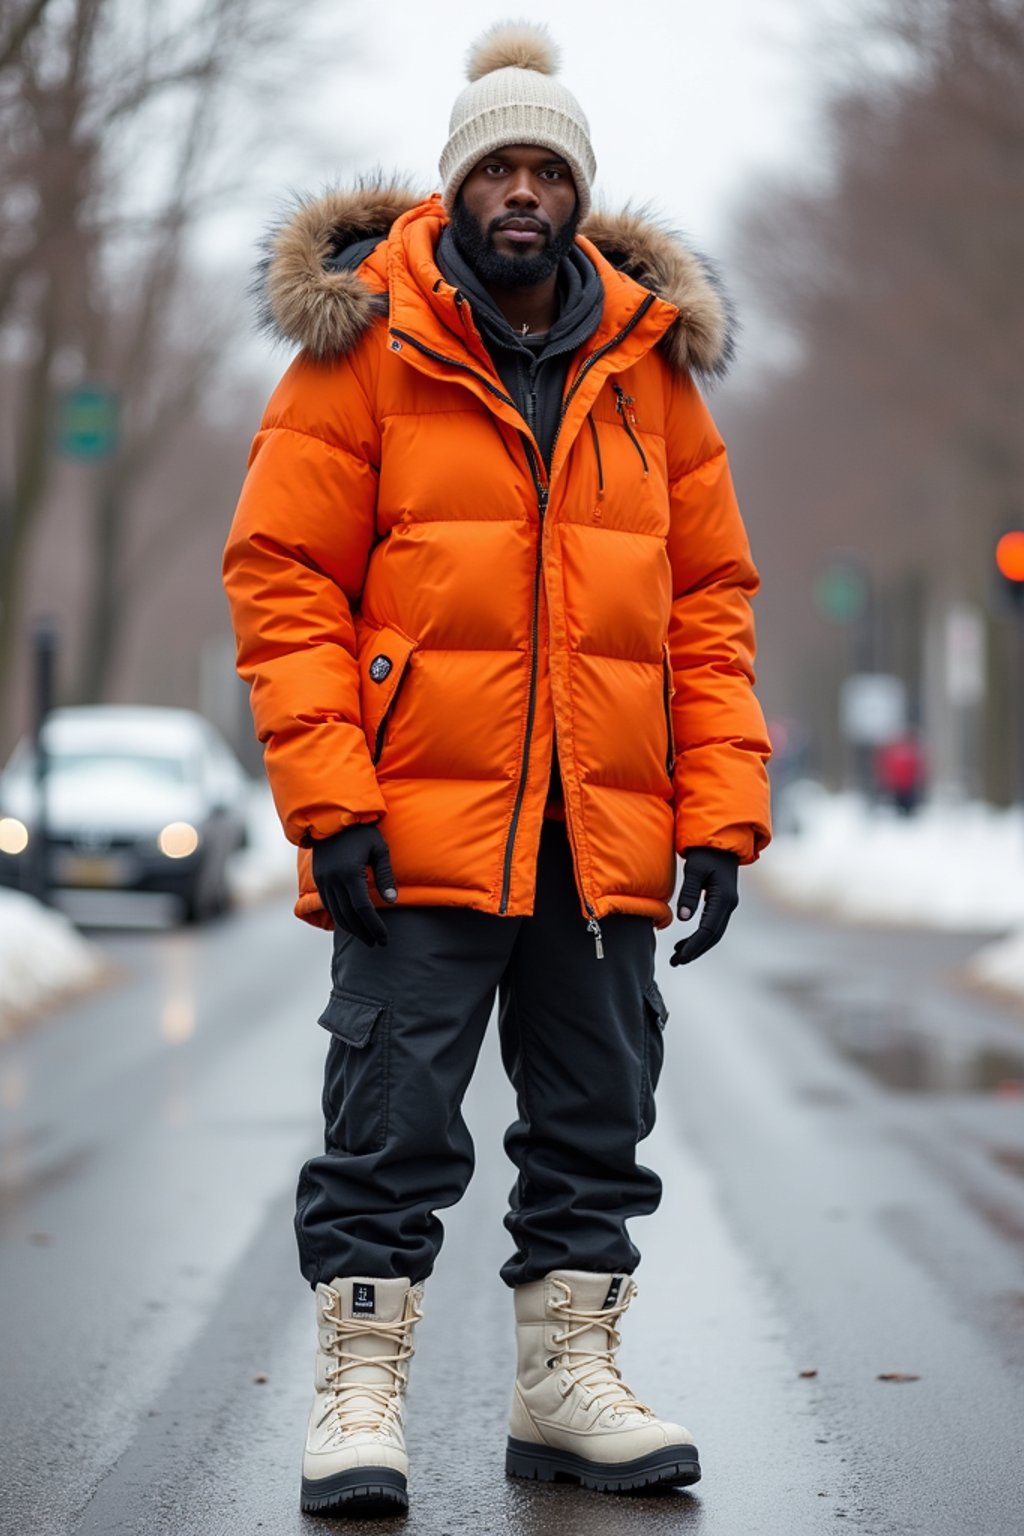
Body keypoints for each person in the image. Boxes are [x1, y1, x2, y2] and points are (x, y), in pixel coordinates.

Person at [224, 19, 771, 1518]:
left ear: (578, 193)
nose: (521, 191)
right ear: (457, 187)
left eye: (548, 168)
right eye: (498, 168)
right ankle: (358, 1394)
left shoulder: (651, 373)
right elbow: (282, 582)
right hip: (417, 825)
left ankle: (563, 1386)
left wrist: (717, 813)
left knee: (598, 1116)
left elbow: (708, 607)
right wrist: (330, 799)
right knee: (390, 1121)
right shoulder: (364, 347)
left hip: (601, 834)